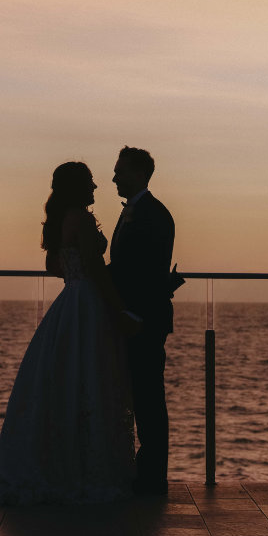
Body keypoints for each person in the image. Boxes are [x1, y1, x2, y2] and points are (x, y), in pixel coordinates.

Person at [0, 161, 137, 507]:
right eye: (90, 183)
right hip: (87, 302)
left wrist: (73, 277)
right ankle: (84, 465)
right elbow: (97, 270)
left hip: (69, 301)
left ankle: (60, 460)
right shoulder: (83, 219)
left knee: (63, 378)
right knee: (90, 377)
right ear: (78, 187)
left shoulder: (63, 220)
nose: (96, 188)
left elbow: (53, 266)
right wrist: (119, 310)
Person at [108, 145, 183, 496]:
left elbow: (148, 272)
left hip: (144, 321)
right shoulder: (133, 213)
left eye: (120, 171)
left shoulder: (154, 214)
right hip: (132, 317)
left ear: (138, 174)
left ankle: (153, 478)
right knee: (141, 396)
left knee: (150, 399)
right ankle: (146, 471)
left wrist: (134, 314)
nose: (114, 178)